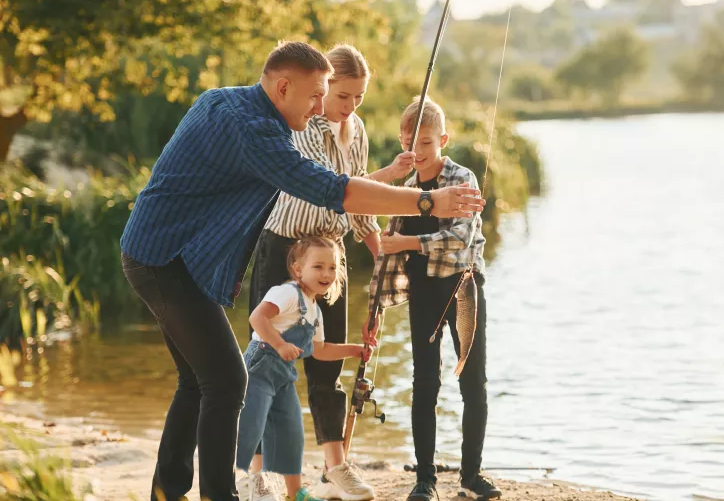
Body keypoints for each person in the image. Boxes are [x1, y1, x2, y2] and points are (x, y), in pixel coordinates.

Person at [120, 41, 485, 501]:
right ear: (283, 87)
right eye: (317, 95)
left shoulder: (225, 99)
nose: (321, 107)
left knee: (198, 379)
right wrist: (428, 201)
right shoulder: (255, 132)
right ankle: (218, 494)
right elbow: (334, 190)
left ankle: (167, 491)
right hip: (164, 259)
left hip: (174, 254)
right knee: (228, 380)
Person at [247, 44, 412, 501]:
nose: (349, 107)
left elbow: (358, 203)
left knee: (328, 365)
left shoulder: (355, 128)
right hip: (284, 248)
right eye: (343, 96)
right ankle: (257, 475)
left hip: (330, 253)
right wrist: (385, 181)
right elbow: (326, 187)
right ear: (324, 88)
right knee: (267, 365)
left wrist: (378, 250)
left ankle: (336, 467)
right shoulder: (303, 125)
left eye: (359, 98)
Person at [365, 97, 502, 500]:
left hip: (463, 288)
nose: (417, 151)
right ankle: (425, 479)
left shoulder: (463, 179)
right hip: (422, 290)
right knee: (424, 382)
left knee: (473, 382)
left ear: (442, 139)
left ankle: (471, 475)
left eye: (425, 142)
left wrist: (405, 241)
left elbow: (459, 240)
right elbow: (367, 219)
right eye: (409, 142)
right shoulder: (403, 189)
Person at [237, 236, 374, 501]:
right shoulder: (287, 293)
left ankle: (295, 493)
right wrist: (279, 345)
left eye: (333, 268)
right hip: (259, 368)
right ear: (299, 269)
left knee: (291, 432)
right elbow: (257, 317)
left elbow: (320, 350)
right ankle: (253, 484)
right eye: (318, 266)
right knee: (259, 424)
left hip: (282, 375)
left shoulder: (314, 311)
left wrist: (355, 349)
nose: (327, 273)